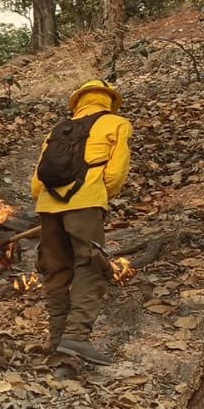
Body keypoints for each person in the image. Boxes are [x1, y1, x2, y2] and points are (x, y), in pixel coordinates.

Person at [31, 80, 132, 366]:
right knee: (92, 266)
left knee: (55, 269)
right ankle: (76, 337)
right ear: (109, 100)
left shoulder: (58, 129)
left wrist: (51, 201)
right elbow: (115, 174)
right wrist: (100, 194)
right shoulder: (117, 123)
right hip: (86, 201)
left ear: (78, 101)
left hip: (48, 205)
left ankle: (57, 338)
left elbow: (36, 182)